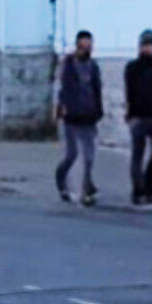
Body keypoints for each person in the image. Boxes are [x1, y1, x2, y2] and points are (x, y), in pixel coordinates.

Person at [53, 30, 104, 206]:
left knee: (89, 156)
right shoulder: (68, 65)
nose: (86, 49)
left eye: (89, 46)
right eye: (83, 46)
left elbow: (97, 89)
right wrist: (63, 109)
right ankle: (61, 178)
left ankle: (86, 189)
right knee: (72, 154)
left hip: (89, 116)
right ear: (77, 46)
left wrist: (99, 110)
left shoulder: (93, 66)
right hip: (72, 117)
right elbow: (64, 90)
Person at [122, 29, 152, 205]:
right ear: (140, 46)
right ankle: (138, 189)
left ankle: (149, 183)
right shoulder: (132, 67)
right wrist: (129, 113)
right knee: (138, 153)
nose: (149, 48)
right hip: (138, 116)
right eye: (146, 45)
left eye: (151, 45)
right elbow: (129, 91)